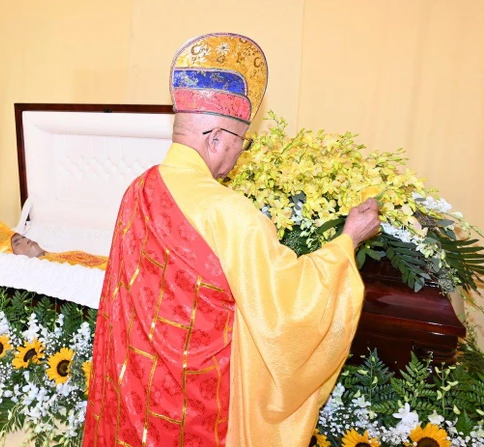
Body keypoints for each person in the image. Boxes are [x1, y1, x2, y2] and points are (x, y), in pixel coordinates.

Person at [82, 33, 380, 447]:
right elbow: (291, 309)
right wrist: (347, 240)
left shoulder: (138, 189)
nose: (241, 154)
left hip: (134, 393)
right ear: (216, 138)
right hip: (198, 410)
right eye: (242, 142)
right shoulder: (228, 213)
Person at [0, 217, 108, 270]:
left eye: (23, 237)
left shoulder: (55, 255)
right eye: (17, 243)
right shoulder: (47, 269)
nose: (26, 240)